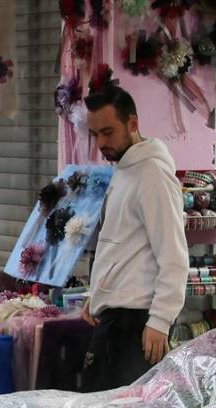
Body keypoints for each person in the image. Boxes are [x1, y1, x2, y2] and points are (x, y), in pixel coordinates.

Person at [80, 86, 189, 392]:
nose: (101, 143)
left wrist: (160, 320)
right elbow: (121, 243)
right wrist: (99, 292)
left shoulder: (152, 174)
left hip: (138, 326)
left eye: (108, 132)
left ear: (132, 124)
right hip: (116, 319)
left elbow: (174, 256)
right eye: (95, 134)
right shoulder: (125, 168)